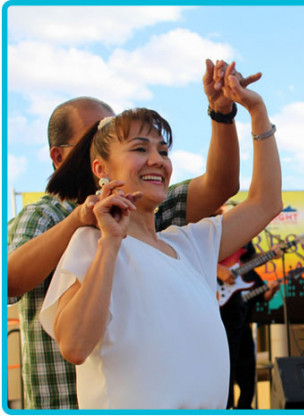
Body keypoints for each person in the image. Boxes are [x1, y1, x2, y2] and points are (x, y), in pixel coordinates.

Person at [6, 59, 257, 409]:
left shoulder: (145, 212)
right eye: (99, 134)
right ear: (62, 156)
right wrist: (82, 220)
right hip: (63, 399)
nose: (152, 157)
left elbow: (222, 185)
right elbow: (10, 279)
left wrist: (222, 114)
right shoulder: (46, 213)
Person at [217, 238, 280, 409]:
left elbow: (262, 297)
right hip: (221, 323)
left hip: (242, 323)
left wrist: (271, 290)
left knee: (247, 370)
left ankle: (244, 407)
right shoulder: (205, 226)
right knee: (224, 368)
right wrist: (218, 270)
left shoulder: (250, 274)